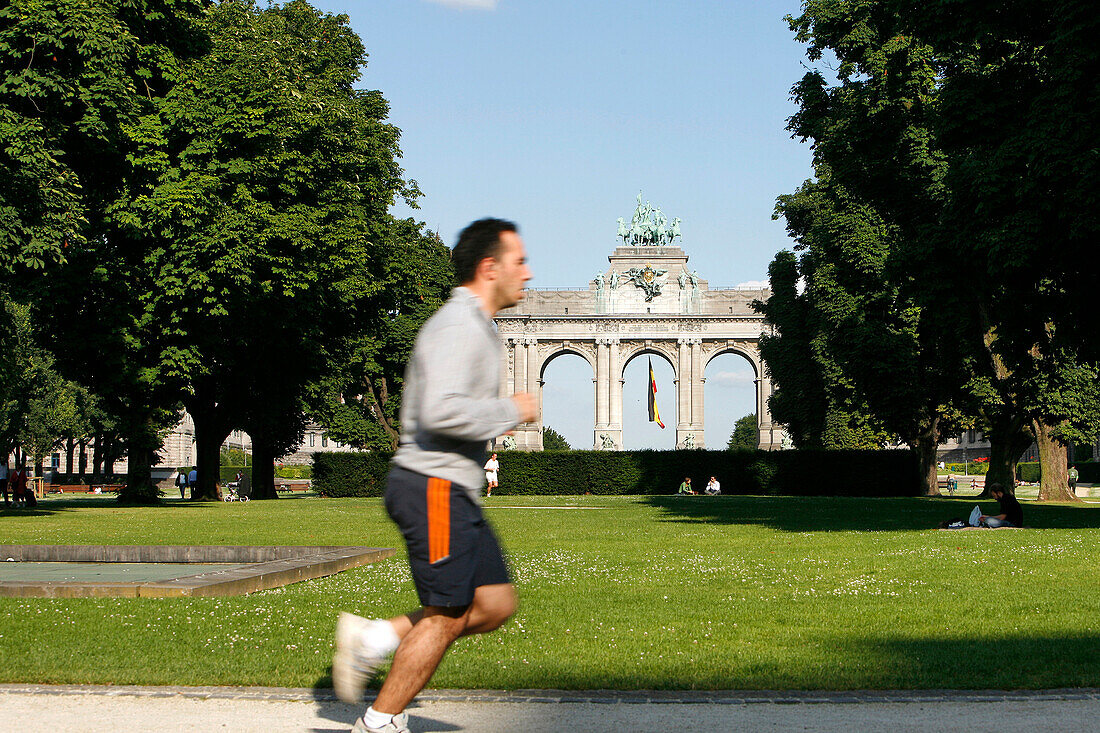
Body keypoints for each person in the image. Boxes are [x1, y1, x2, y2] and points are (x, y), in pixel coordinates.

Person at [332, 218, 536, 733]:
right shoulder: (457, 325)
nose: (528, 274)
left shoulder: (479, 327)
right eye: (519, 262)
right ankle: (380, 721)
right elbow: (439, 413)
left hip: (453, 489)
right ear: (489, 268)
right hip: (433, 486)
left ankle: (377, 639)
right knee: (446, 612)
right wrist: (508, 410)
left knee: (494, 604)